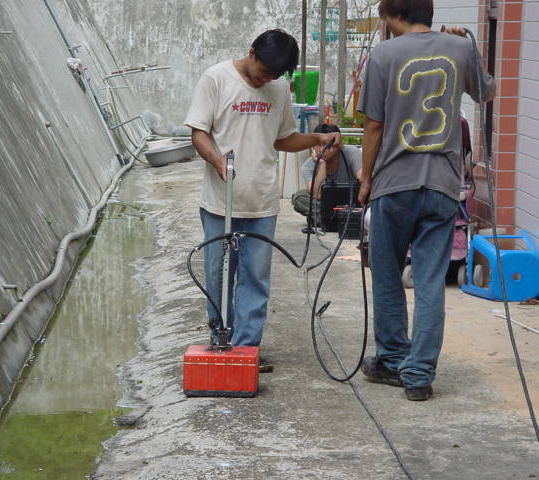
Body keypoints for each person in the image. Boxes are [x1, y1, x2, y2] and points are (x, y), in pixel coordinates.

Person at [357, 0, 495, 400]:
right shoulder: (459, 48)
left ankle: (393, 361)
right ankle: (418, 377)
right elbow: (488, 91)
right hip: (441, 187)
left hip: (394, 185)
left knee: (387, 276)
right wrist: (468, 45)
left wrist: (365, 178)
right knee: (431, 281)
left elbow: (374, 125)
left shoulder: (382, 55)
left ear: (395, 16)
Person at [185, 29, 341, 370]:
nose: (266, 80)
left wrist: (315, 137)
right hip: (219, 201)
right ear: (251, 51)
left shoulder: (278, 88)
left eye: (274, 76)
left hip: (261, 202)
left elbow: (282, 139)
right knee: (219, 274)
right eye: (263, 72)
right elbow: (199, 131)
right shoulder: (216, 78)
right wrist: (217, 161)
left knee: (255, 277)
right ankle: (219, 341)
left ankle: (245, 350)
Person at [292, 123, 362, 230]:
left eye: (326, 145)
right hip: (326, 204)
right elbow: (318, 194)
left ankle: (326, 219)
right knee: (299, 198)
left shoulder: (352, 153)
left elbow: (363, 180)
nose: (321, 149)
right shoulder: (308, 165)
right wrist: (322, 164)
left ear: (337, 145)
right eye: (317, 145)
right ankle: (343, 220)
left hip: (351, 202)